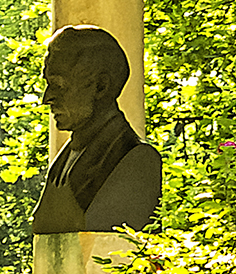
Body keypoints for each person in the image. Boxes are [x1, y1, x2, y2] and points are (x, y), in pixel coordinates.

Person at [31, 24, 162, 234]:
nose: (48, 98)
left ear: (101, 86)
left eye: (59, 85)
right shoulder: (62, 162)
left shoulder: (136, 160)